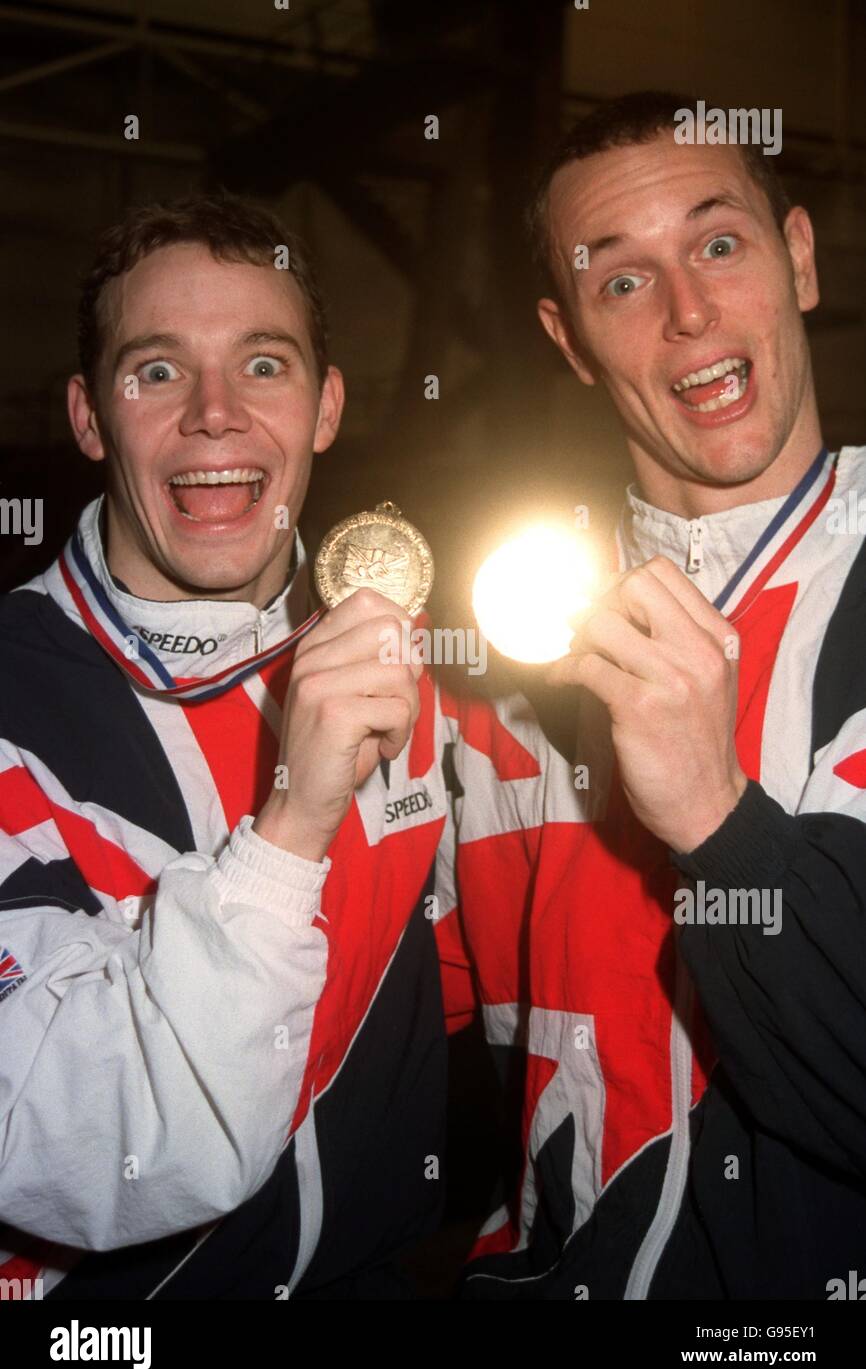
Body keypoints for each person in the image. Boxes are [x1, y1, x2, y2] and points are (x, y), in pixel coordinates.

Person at [0, 192, 544, 1299]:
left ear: (326, 406)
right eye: (157, 370)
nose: (213, 414)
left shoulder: (416, 674)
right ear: (90, 416)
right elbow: (83, 1142)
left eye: (263, 365)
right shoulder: (16, 698)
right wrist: (294, 819)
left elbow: (504, 973)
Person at [455, 90, 866, 1299]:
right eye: (621, 281)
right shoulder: (500, 666)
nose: (688, 312)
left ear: (797, 258)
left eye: (717, 244)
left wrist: (714, 820)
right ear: (569, 338)